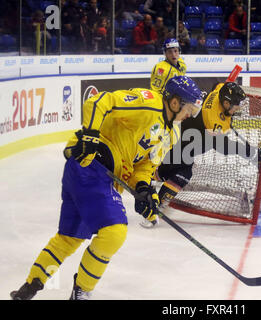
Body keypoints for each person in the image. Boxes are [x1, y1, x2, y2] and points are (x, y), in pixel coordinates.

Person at [9, 76, 204, 300]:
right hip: (91, 164)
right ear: (175, 102)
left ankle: (29, 288)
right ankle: (81, 292)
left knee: (69, 237)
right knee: (114, 231)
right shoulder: (149, 103)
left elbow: (145, 165)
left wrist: (143, 188)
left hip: (95, 175)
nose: (190, 114)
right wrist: (91, 134)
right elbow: (99, 101)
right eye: (189, 108)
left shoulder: (173, 133)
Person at [141, 82, 248, 228]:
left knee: (172, 171)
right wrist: (246, 150)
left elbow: (217, 84)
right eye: (236, 105)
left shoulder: (218, 92)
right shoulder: (214, 121)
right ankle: (154, 207)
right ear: (226, 102)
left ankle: (147, 182)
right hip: (182, 145)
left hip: (182, 140)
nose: (238, 108)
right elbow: (222, 146)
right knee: (182, 174)